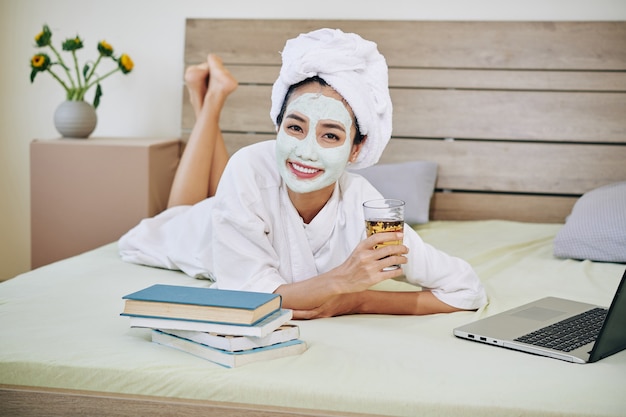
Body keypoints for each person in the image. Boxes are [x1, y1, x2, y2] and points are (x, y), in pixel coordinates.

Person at [119, 28, 487, 319]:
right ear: (277, 126)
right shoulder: (249, 165)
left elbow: (466, 289)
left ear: (356, 148)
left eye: (330, 135)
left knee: (224, 190)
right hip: (195, 233)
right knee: (178, 214)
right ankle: (210, 100)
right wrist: (342, 280)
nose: (306, 150)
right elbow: (247, 300)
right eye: (294, 128)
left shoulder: (367, 208)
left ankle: (208, 99)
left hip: (241, 202)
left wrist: (356, 301)